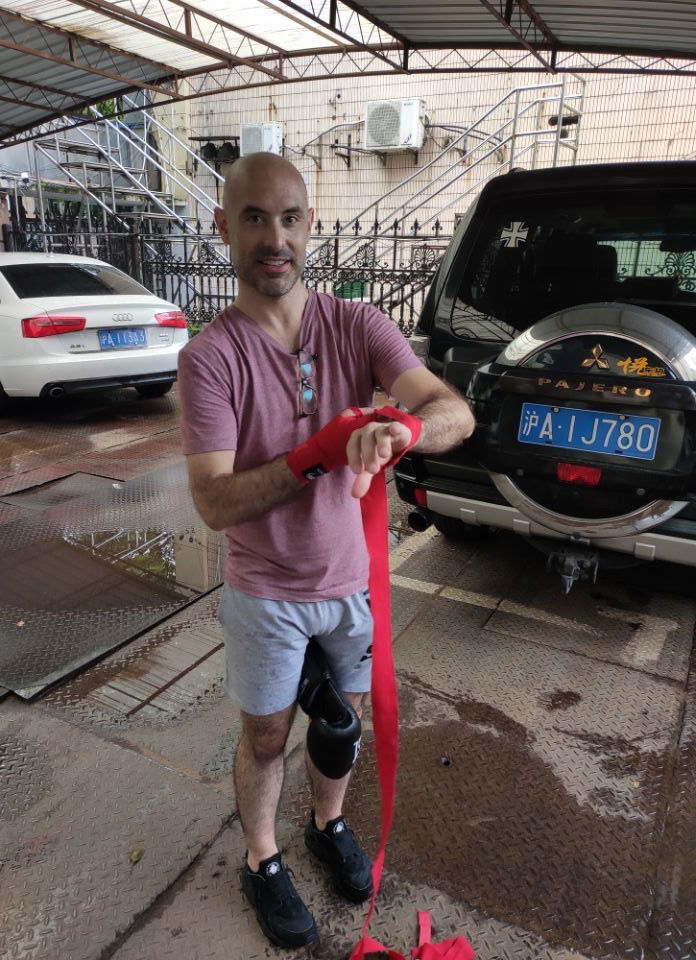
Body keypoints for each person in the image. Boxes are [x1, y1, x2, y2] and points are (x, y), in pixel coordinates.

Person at [178, 152, 475, 949]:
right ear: (223, 228)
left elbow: (454, 413)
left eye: (289, 217)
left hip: (352, 583)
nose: (274, 238)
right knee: (269, 736)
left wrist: (399, 430)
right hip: (265, 592)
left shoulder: (359, 323)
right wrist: (322, 451)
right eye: (253, 218)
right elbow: (213, 500)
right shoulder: (211, 357)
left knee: (339, 729)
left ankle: (328, 824)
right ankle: (262, 858)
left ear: (311, 225)